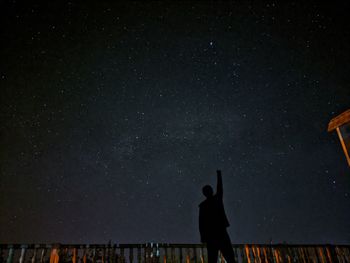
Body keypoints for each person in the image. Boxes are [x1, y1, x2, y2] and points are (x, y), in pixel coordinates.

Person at [199, 170, 236, 263]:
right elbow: (220, 188)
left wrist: (203, 236)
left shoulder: (204, 205)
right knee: (229, 257)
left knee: (215, 258)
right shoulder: (216, 199)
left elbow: (201, 223)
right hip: (219, 233)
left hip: (212, 235)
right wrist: (219, 175)